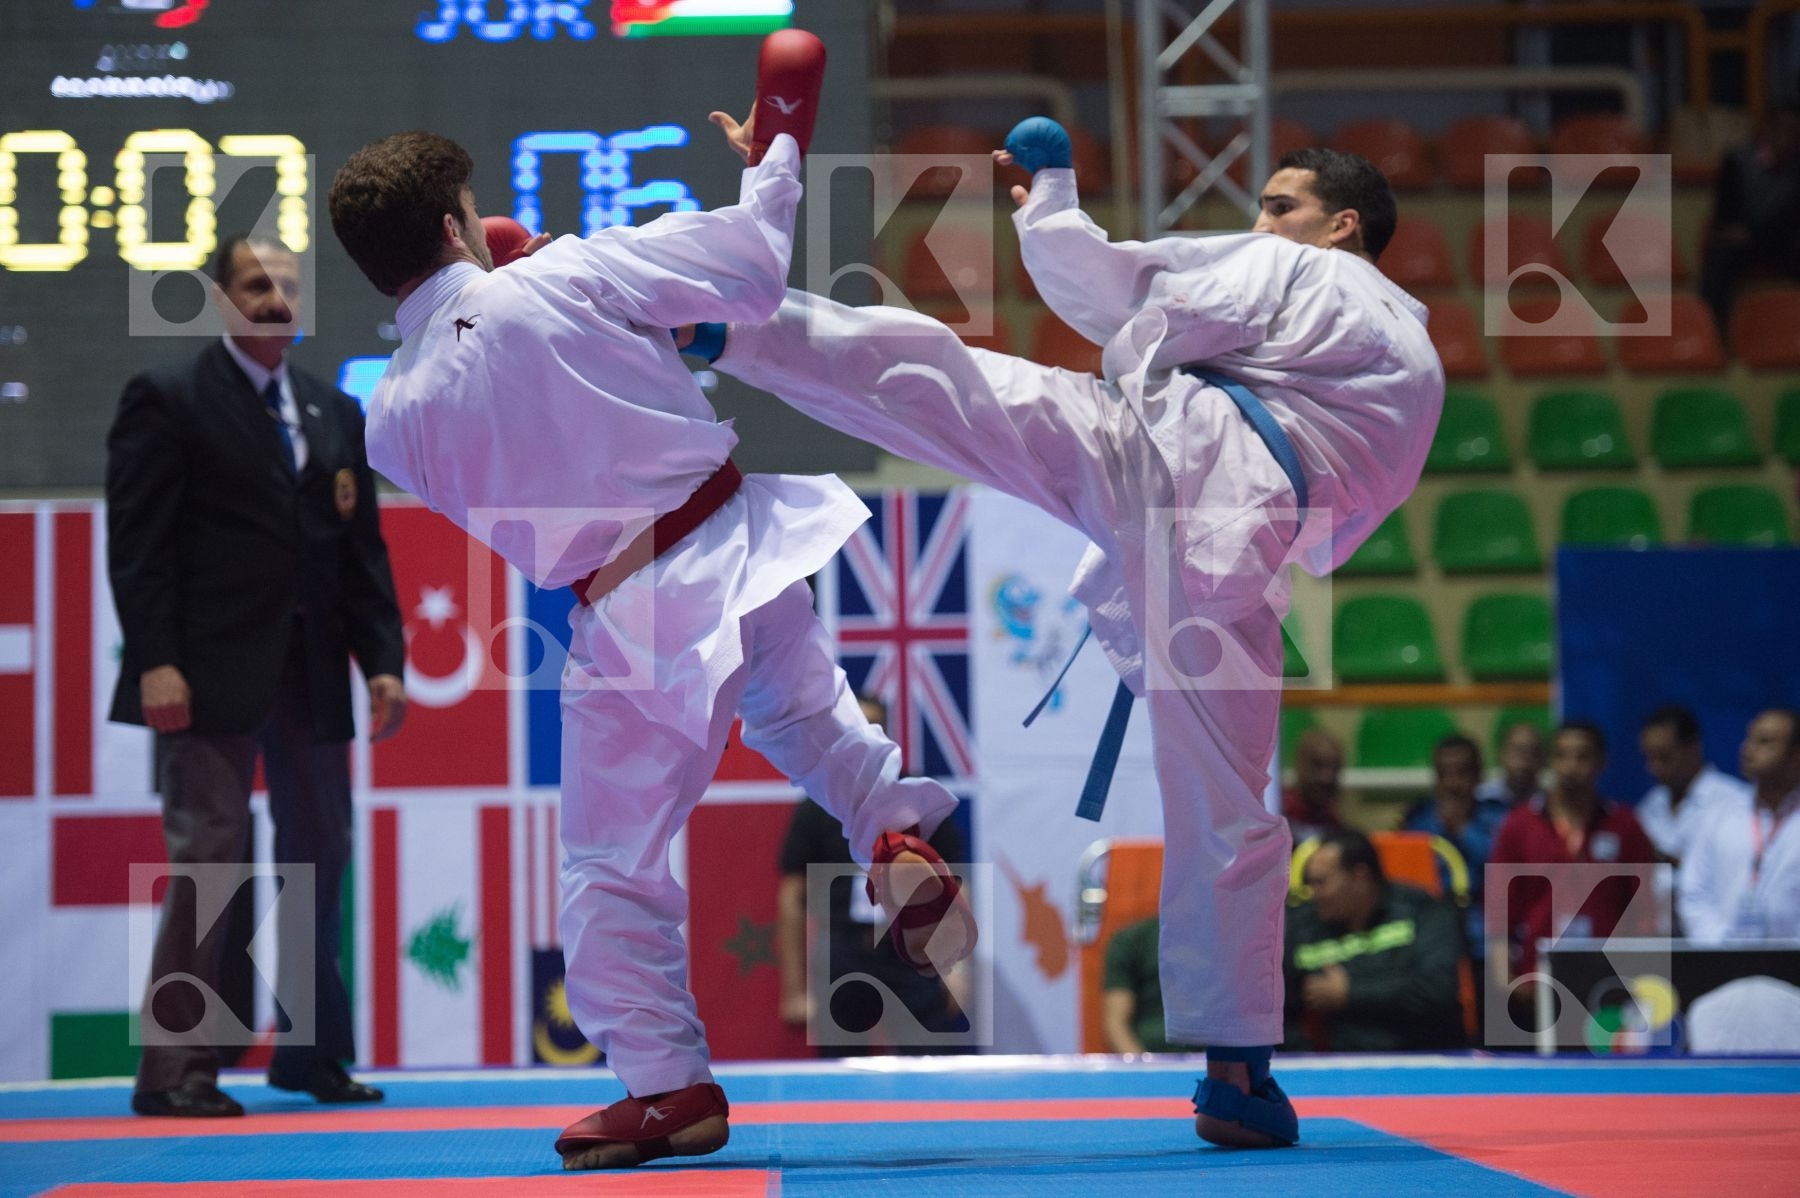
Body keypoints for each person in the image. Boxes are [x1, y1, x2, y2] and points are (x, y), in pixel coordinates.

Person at [701, 125, 1445, 1147]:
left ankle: (721, 328)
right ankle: (1238, 1074)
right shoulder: (1422, 366)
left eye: (1281, 205)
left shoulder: (1299, 273)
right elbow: (1343, 521)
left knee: (942, 378)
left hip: (1166, 471)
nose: (1262, 223)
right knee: (1232, 811)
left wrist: (1051, 199)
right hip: (1240, 560)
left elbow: (1120, 289)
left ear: (1342, 223)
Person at [326, 102, 975, 1170]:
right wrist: (775, 153)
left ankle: (669, 1086)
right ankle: (891, 830)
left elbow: (504, 421)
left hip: (633, 602)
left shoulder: (391, 417)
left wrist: (511, 301)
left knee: (609, 861)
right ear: (454, 225)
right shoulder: (570, 271)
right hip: (738, 530)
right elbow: (755, 266)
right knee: (809, 719)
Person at [106, 233, 407, 1118]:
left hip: (311, 671)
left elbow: (362, 555)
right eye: (255, 283)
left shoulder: (329, 411)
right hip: (204, 673)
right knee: (210, 859)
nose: (276, 296)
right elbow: (139, 549)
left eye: (287, 283)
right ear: (219, 299)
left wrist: (382, 660)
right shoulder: (168, 399)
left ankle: (310, 1058)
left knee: (321, 857)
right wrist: (155, 659)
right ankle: (177, 1074)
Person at [776, 696, 969, 1055]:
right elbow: (792, 899)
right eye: (857, 728)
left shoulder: (920, 798)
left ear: (886, 735)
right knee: (839, 1068)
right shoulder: (816, 805)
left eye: (873, 728)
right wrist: (794, 988)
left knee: (928, 1061)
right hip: (845, 949)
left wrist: (956, 967)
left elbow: (954, 886)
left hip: (911, 948)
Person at [1490, 721, 1656, 998]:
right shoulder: (1518, 826)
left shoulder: (1625, 826)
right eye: (1562, 755)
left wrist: (1639, 978)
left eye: (1582, 756)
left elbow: (1645, 909)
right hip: (1536, 980)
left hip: (1610, 981)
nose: (1571, 767)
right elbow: (1499, 911)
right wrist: (1507, 981)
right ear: (1550, 762)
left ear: (1601, 762)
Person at [1284, 830, 1465, 1052]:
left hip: (1430, 1055)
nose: (1313, 893)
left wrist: (1350, 993)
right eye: (1310, 883)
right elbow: (1277, 1007)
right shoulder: (1302, 924)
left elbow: (1438, 989)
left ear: (1360, 878)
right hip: (1342, 1066)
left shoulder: (1423, 910)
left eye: (1321, 882)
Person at [1678, 708, 1800, 943]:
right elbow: (1693, 891)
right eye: (1749, 738)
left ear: (1796, 754)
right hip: (1724, 964)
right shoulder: (1719, 814)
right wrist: (1722, 946)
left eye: (1764, 741)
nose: (1748, 749)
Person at [1699, 102, 1800, 339]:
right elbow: (1725, 215)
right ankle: (1714, 336)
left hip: (1781, 242)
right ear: (1768, 129)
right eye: (1783, 129)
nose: (1788, 137)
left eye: (1795, 131)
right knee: (1720, 255)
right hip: (1744, 241)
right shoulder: (1737, 161)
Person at [1400, 733, 1505, 956]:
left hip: (1486, 939)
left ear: (1479, 775)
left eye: (1462, 772)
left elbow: (1503, 869)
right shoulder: (1417, 821)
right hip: (1430, 937)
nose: (1452, 783)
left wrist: (1462, 829)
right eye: (1443, 773)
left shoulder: (1499, 819)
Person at [1636, 705, 1750, 864]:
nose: (1654, 768)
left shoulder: (1735, 801)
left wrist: (1662, 857)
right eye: (1649, 758)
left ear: (1693, 748)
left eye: (1664, 757)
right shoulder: (1651, 803)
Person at [1101, 915, 1183, 1054]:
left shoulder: (1221, 941)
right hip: (1146, 1055)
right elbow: (1116, 1024)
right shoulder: (1132, 941)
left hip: (1211, 1061)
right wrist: (1144, 1069)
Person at [1282, 728, 1346, 844]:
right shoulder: (1277, 812)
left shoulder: (1333, 823)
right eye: (1318, 766)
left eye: (1334, 767)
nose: (1327, 777)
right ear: (1300, 765)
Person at [1478, 721, 1546, 809]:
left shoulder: (1548, 804)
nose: (1524, 759)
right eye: (1518, 751)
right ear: (1501, 755)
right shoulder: (1482, 798)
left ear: (1542, 759)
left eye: (1532, 752)